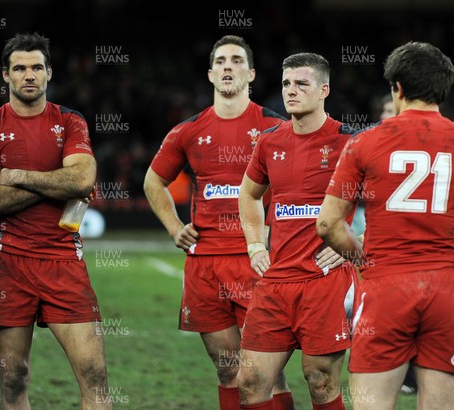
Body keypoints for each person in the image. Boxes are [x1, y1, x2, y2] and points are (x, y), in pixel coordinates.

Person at [316, 41, 454, 409]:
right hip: (444, 294)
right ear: (443, 89)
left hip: (385, 290)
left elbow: (327, 223)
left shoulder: (363, 143)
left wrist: (364, 258)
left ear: (399, 88)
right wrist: (449, 265)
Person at [143, 35, 294, 410]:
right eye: (222, 61)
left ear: (252, 73)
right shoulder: (188, 131)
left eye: (237, 61)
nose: (229, 66)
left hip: (259, 262)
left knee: (266, 374)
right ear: (211, 74)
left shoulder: (277, 128)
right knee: (228, 371)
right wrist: (175, 227)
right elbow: (153, 181)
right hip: (205, 265)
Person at [0, 32, 111, 408]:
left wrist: (16, 174)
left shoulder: (71, 121)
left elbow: (81, 180)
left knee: (94, 376)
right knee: (13, 380)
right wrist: (54, 184)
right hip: (5, 263)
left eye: (36, 68)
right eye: (19, 68)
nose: (28, 75)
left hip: (63, 261)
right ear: (5, 76)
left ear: (49, 74)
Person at [237, 52, 358, 410]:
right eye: (287, 83)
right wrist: (256, 246)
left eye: (302, 84)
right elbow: (248, 193)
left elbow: (387, 202)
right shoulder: (270, 142)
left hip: (326, 280)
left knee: (320, 381)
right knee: (251, 381)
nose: (291, 91)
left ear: (324, 90)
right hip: (276, 281)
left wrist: (355, 244)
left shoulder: (348, 142)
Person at [379, 92, 419, 396]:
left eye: (396, 110)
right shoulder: (370, 148)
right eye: (387, 111)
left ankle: (412, 369)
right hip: (379, 249)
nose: (393, 115)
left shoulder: (422, 151)